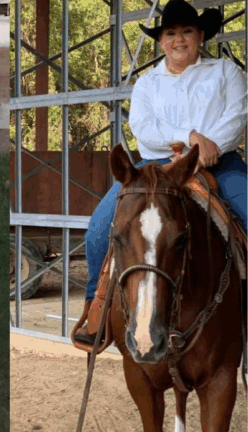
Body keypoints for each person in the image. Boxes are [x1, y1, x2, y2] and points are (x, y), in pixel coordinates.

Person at [73, 0, 247, 345]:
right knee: (98, 227)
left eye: (186, 32)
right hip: (152, 169)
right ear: (161, 40)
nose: (178, 39)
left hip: (219, 163)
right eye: (171, 33)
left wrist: (204, 149)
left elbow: (238, 116)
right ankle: (98, 308)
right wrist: (190, 137)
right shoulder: (147, 83)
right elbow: (144, 129)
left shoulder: (225, 72)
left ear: (199, 35)